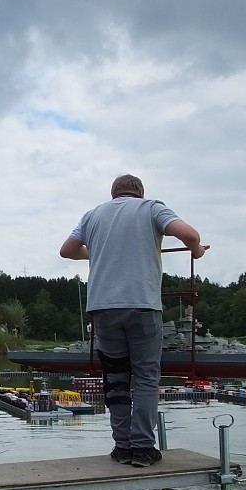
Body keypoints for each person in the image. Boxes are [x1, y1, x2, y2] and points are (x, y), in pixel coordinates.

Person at [59, 174, 205, 468]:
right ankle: (141, 448)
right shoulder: (151, 208)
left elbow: (67, 251)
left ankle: (121, 447)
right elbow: (188, 235)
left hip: (102, 308)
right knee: (147, 377)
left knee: (115, 379)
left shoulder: (93, 215)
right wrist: (197, 250)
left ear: (114, 193)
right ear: (139, 192)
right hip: (142, 306)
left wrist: (94, 253)